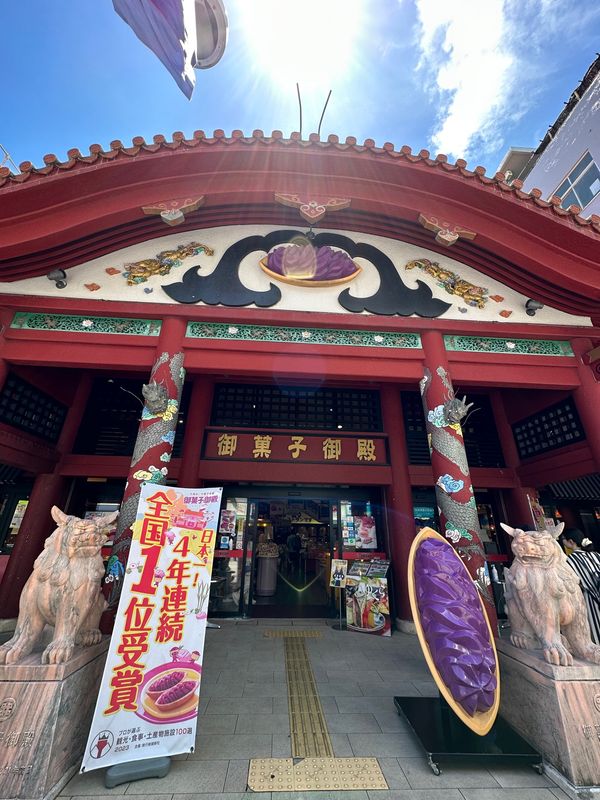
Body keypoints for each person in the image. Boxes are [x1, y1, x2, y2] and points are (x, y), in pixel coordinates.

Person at [563, 528, 600, 644]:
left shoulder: (569, 560)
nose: (562, 541)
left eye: (563, 539)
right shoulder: (596, 555)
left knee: (596, 627)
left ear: (571, 542)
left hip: (590, 600)